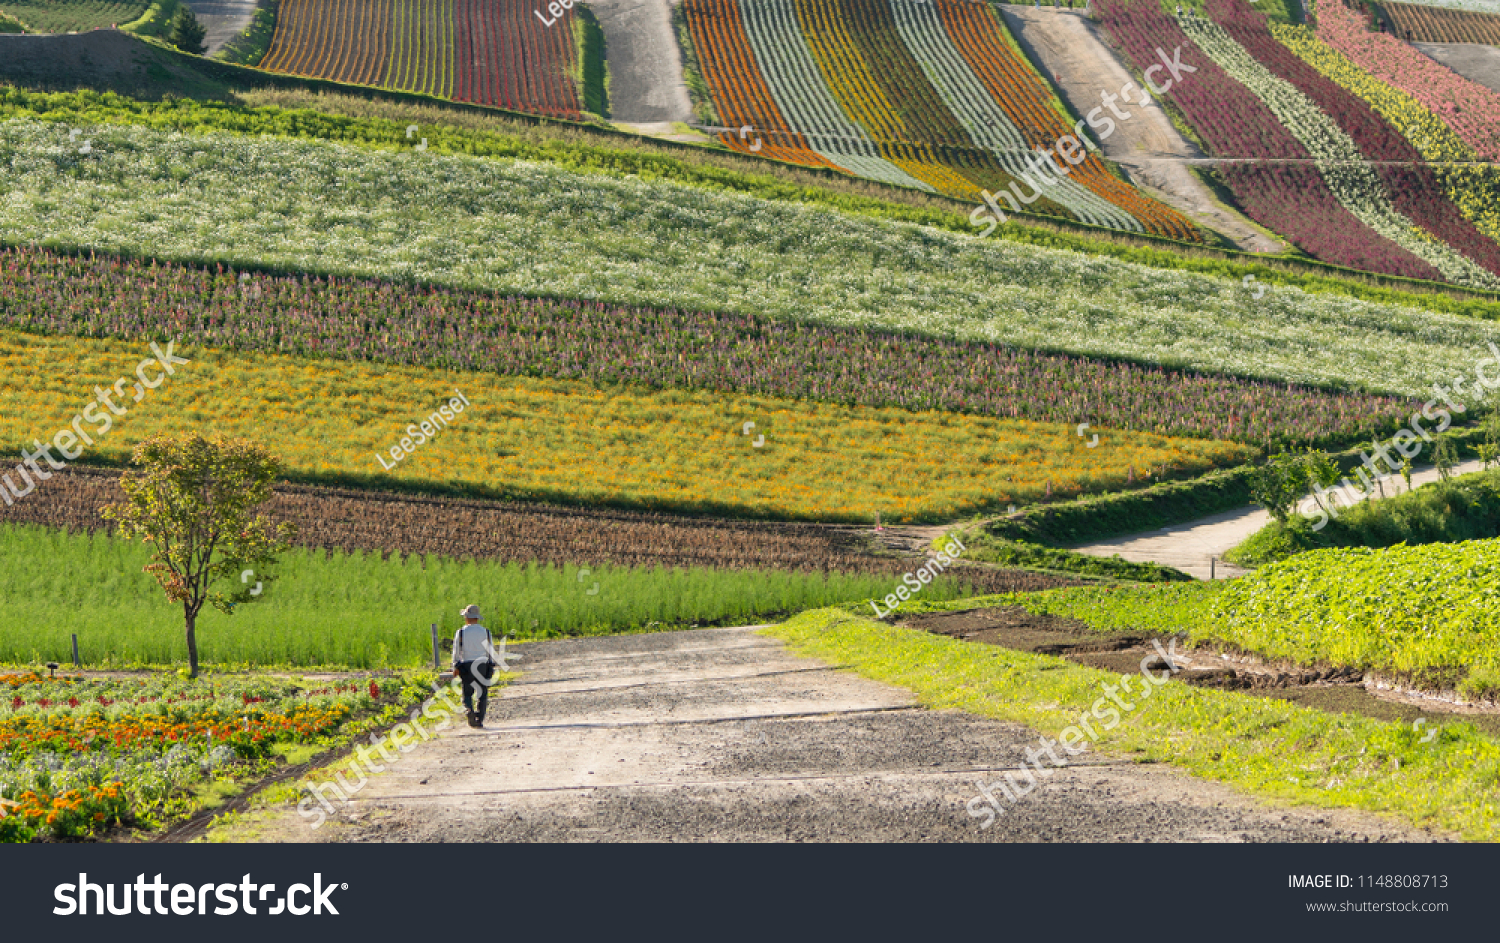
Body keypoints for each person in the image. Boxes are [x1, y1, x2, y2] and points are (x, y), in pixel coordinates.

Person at [452, 604, 495, 728]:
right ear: (477, 618)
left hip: (466, 666)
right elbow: (490, 650)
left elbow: (456, 651)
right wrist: (491, 666)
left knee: (467, 694)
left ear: (466, 617)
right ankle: (480, 719)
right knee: (482, 693)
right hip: (482, 665)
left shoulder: (460, 632)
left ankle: (469, 710)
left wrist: (455, 666)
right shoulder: (486, 632)